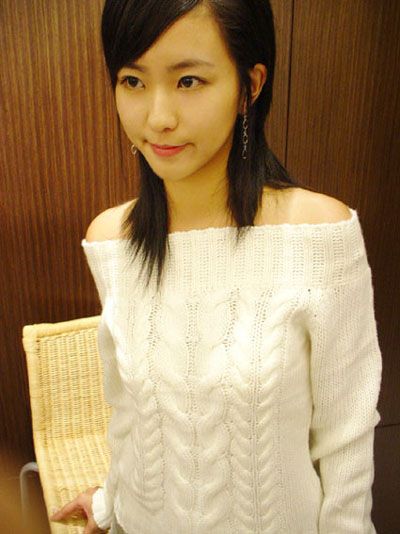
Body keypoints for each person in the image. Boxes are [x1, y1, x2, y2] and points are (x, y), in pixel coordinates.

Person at [50, 0, 382, 533]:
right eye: (133, 81)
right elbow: (130, 413)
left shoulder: (318, 235)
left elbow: (346, 438)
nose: (157, 117)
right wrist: (112, 501)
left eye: (189, 81)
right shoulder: (112, 240)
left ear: (250, 85)